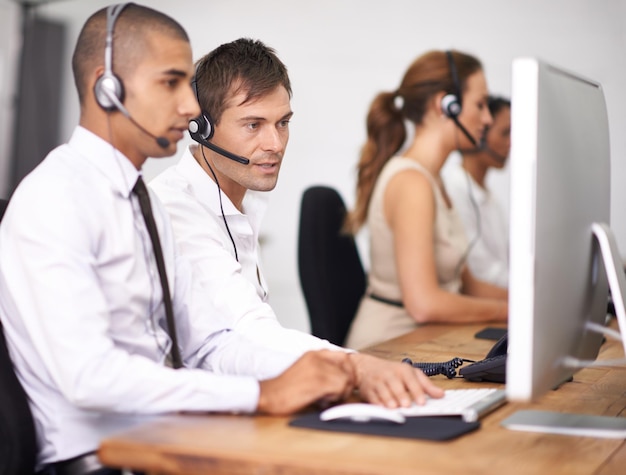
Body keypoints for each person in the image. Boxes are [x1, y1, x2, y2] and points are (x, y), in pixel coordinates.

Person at [0, 5, 356, 474]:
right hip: (102, 458)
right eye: (170, 83)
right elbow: (90, 377)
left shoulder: (140, 200)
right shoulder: (53, 197)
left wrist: (322, 372)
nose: (190, 109)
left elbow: (210, 343)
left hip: (167, 436)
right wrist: (261, 393)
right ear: (107, 87)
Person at [149, 37, 444, 411]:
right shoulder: (174, 210)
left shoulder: (244, 202)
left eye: (283, 122)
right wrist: (356, 366)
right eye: (253, 125)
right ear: (201, 128)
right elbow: (247, 331)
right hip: (179, 427)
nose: (275, 143)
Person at [343, 50, 508, 350]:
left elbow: (467, 285)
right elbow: (424, 304)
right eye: (480, 104)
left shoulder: (434, 180)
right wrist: (508, 312)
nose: (487, 118)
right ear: (445, 105)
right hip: (390, 347)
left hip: (427, 340)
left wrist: (533, 301)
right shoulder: (412, 183)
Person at [443, 96, 511, 288]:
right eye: (505, 133)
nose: (511, 142)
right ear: (479, 137)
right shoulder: (456, 194)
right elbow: (482, 273)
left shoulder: (490, 197)